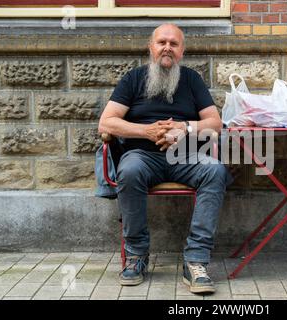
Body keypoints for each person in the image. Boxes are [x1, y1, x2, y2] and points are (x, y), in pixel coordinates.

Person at [98, 23, 231, 294]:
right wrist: (147, 131)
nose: (167, 48)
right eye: (162, 42)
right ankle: (136, 256)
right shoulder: (133, 79)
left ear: (182, 51)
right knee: (129, 170)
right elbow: (107, 122)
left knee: (215, 170)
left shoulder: (192, 80)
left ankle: (196, 260)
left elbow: (215, 124)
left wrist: (185, 128)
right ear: (151, 48)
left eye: (173, 44)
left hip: (186, 156)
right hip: (142, 156)